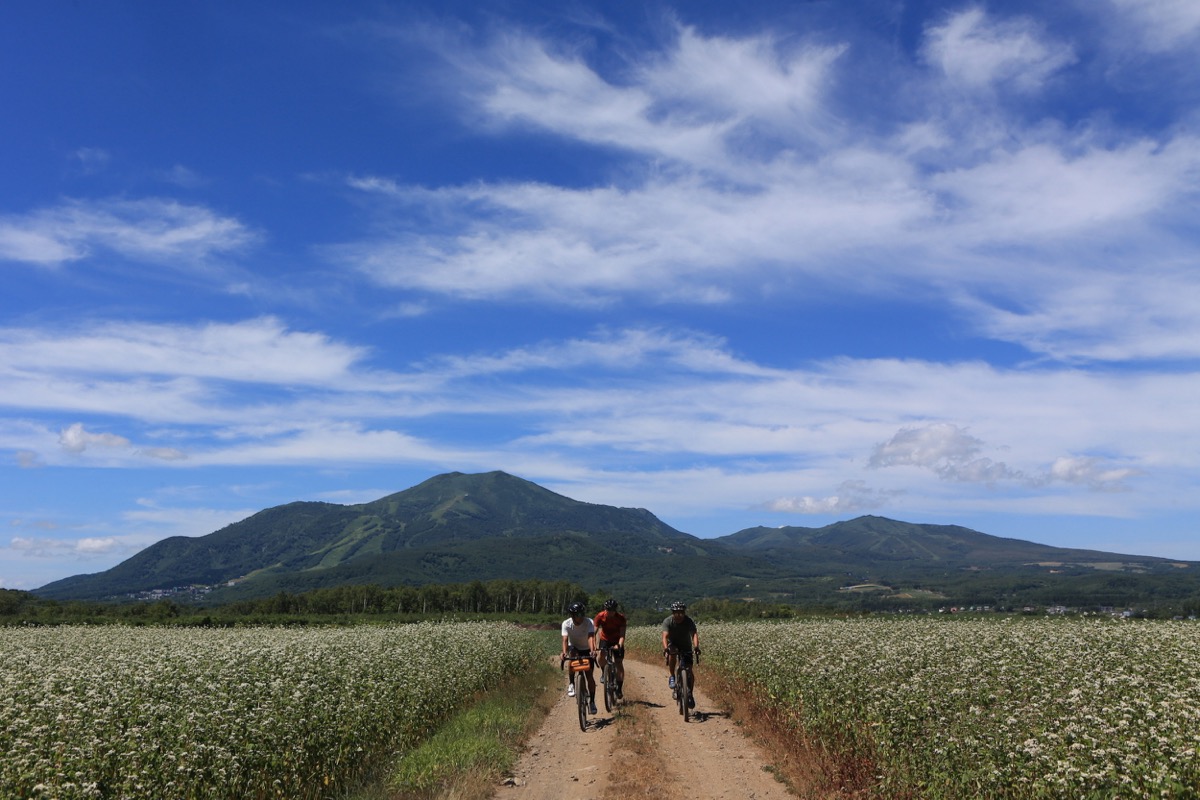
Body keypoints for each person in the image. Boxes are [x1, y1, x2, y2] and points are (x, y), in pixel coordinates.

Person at [561, 601, 598, 715]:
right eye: (578, 615)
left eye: (582, 614)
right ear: (572, 615)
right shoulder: (566, 624)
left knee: (589, 675)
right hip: (574, 647)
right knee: (571, 656)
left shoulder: (589, 622)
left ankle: (592, 702)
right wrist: (564, 652)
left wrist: (592, 651)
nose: (581, 617)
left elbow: (591, 637)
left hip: (586, 648)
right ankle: (571, 684)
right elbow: (565, 640)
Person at [661, 600, 700, 708]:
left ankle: (690, 693)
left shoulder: (688, 621)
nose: (679, 615)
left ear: (684, 613)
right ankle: (673, 676)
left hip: (686, 646)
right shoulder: (668, 621)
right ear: (673, 613)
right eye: (676, 613)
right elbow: (665, 636)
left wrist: (696, 646)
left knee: (689, 670)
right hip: (673, 644)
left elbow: (694, 634)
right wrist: (665, 648)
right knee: (672, 654)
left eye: (681, 613)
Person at [593, 598, 627, 699]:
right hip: (605, 639)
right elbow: (593, 632)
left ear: (615, 610)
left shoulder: (621, 618)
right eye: (608, 610)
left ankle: (619, 688)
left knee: (619, 663)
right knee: (601, 655)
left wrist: (619, 645)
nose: (610, 612)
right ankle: (604, 672)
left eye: (612, 610)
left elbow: (622, 635)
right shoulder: (600, 616)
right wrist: (594, 645)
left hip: (617, 640)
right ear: (605, 609)